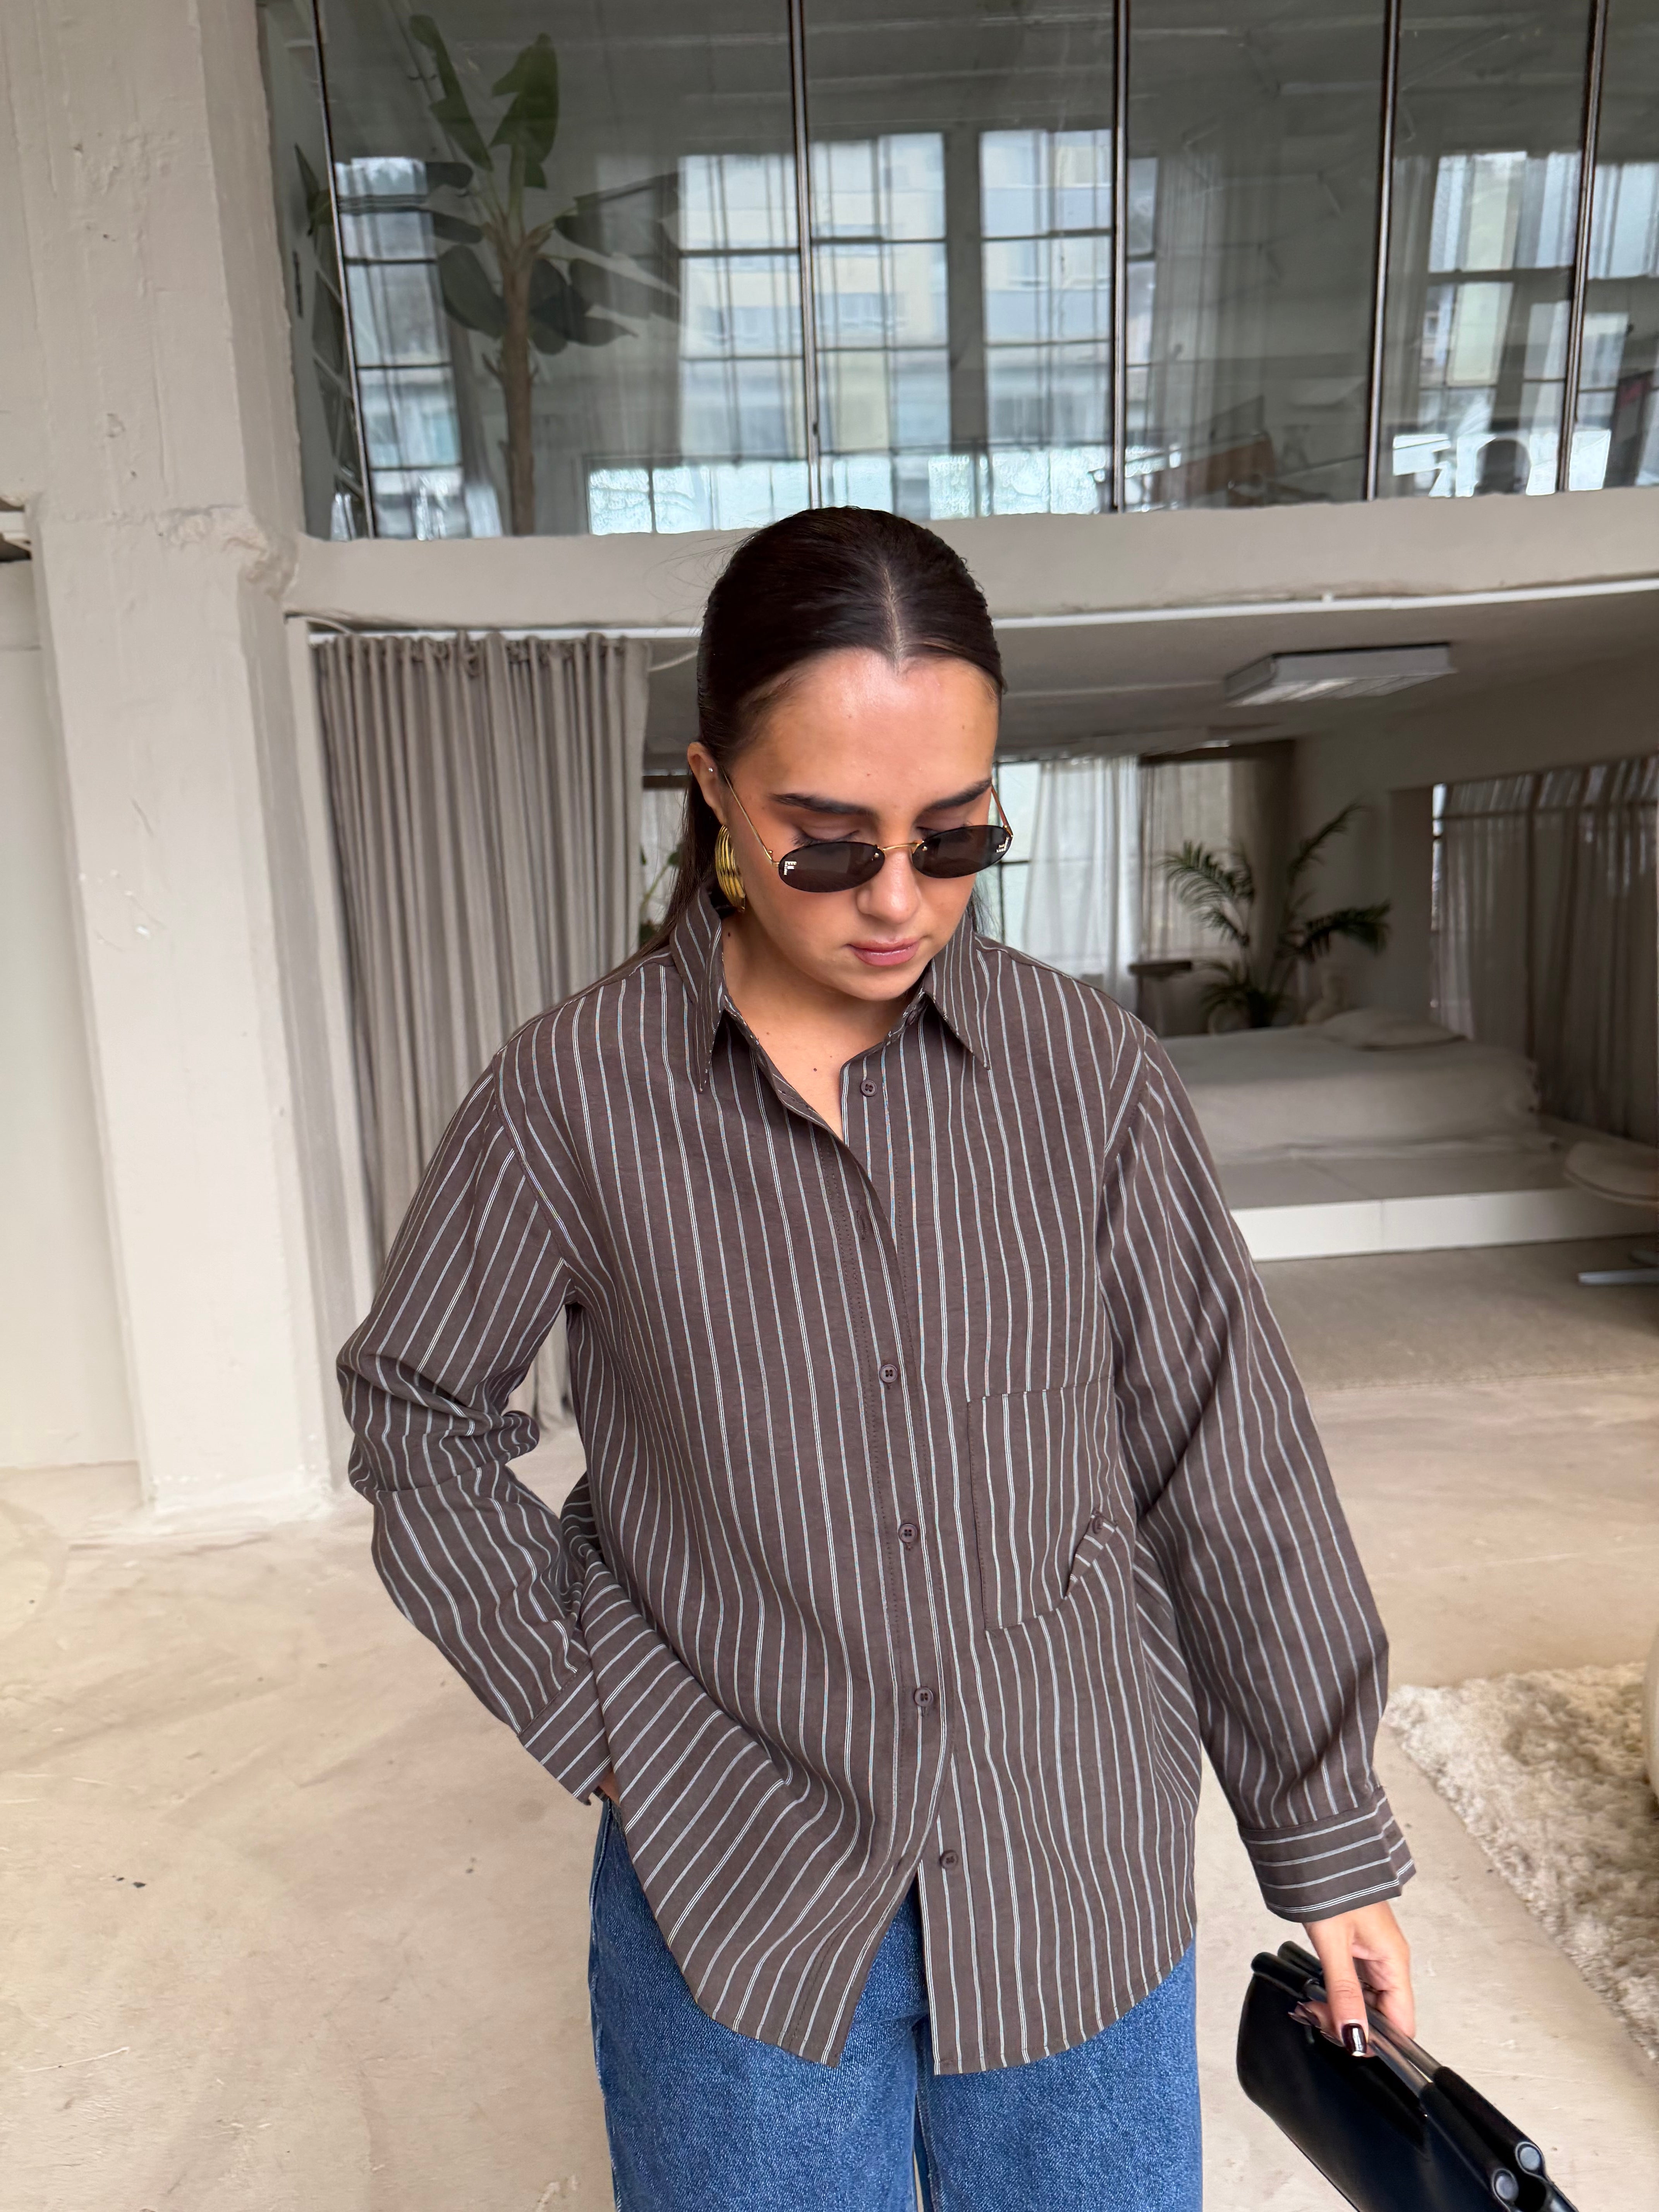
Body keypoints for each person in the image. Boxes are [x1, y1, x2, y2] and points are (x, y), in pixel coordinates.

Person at [338, 507, 1415, 2210]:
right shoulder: (569, 1097)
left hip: (1075, 1875)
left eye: (955, 834)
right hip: (733, 1894)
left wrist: (1325, 1837)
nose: (900, 900)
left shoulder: (1090, 1077)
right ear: (714, 787)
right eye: (828, 843)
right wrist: (590, 1715)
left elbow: (1223, 1451)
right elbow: (417, 1416)